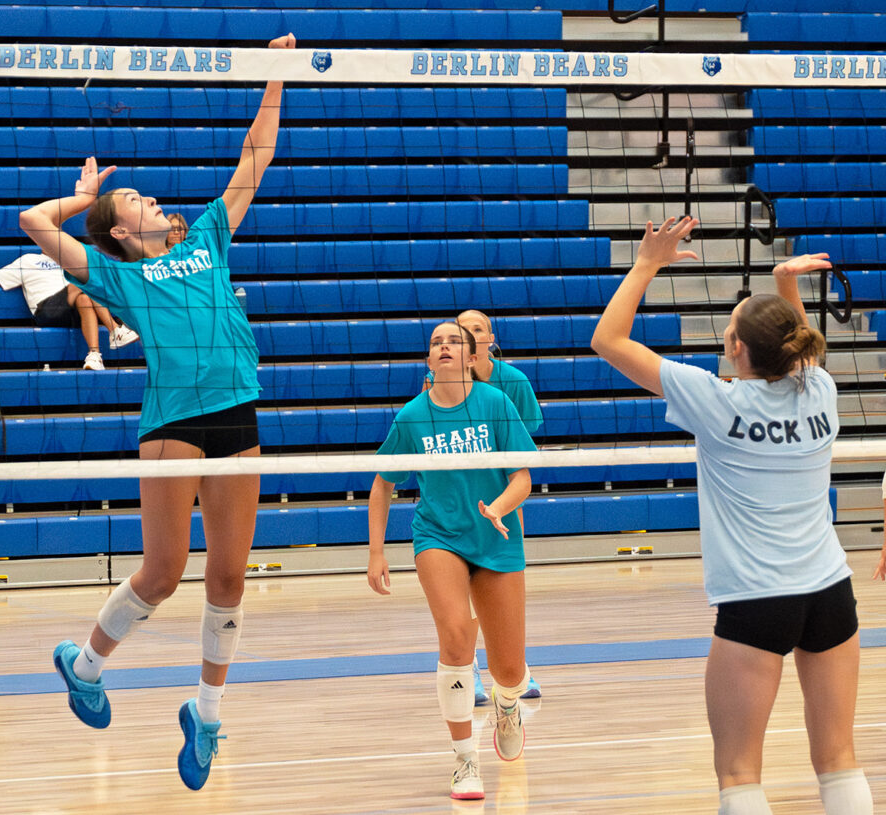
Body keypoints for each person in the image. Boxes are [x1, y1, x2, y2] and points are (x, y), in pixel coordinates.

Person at [18, 33, 296, 792]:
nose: (155, 199)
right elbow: (35, 224)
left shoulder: (207, 234)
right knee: (166, 570)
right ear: (118, 229)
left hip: (239, 414)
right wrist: (80, 199)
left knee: (231, 578)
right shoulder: (113, 274)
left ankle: (206, 714)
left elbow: (255, 156)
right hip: (173, 422)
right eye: (138, 198)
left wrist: (275, 74)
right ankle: (86, 664)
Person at [591, 216, 873, 815]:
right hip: (830, 591)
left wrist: (646, 265)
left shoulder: (714, 400)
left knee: (740, 772)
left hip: (757, 601)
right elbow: (795, 346)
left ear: (736, 348)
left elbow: (608, 341)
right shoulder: (818, 389)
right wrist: (783, 282)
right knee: (839, 759)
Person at [367, 320, 538, 801]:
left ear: (470, 357)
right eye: (436, 342)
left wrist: (499, 509)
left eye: (453, 342)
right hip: (438, 536)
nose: (444, 346)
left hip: (496, 535)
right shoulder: (412, 417)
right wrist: (377, 551)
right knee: (457, 636)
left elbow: (523, 477)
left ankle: (507, 703)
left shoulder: (496, 404)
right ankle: (465, 760)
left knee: (509, 668)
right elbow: (383, 483)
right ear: (428, 361)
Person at [0, 253, 138, 370]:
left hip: (73, 309)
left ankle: (94, 355)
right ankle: (115, 329)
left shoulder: (70, 260)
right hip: (45, 309)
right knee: (83, 285)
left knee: (85, 295)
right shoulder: (29, 260)